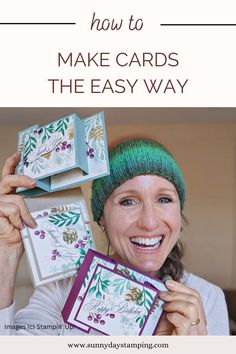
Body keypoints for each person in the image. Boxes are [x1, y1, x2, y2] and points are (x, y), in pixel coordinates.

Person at [0, 137, 229, 335]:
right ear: (101, 218)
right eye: (128, 201)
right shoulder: (61, 288)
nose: (149, 222)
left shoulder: (208, 298)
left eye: (164, 199)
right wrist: (6, 253)